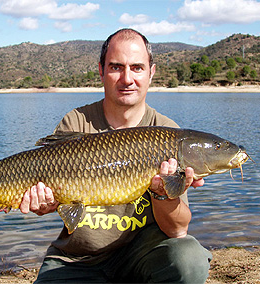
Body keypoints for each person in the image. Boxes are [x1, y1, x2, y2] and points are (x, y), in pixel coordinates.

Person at [20, 28, 212, 283]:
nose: (127, 79)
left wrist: (163, 194)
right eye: (116, 67)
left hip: (142, 257)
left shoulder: (169, 134)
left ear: (151, 73)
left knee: (189, 259)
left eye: (137, 67)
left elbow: (177, 229)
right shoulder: (77, 122)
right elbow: (55, 203)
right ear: (101, 71)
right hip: (78, 258)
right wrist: (45, 204)